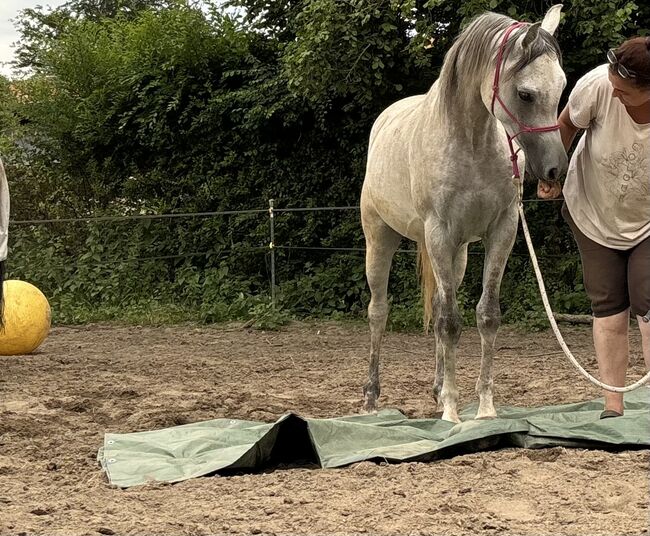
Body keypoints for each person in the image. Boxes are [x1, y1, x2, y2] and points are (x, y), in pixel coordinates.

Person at [540, 37, 650, 418]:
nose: (614, 93)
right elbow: (566, 125)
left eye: (624, 92)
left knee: (648, 298)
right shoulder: (598, 86)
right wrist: (551, 173)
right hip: (592, 211)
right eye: (613, 84)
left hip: (648, 220)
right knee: (608, 306)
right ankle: (613, 406)